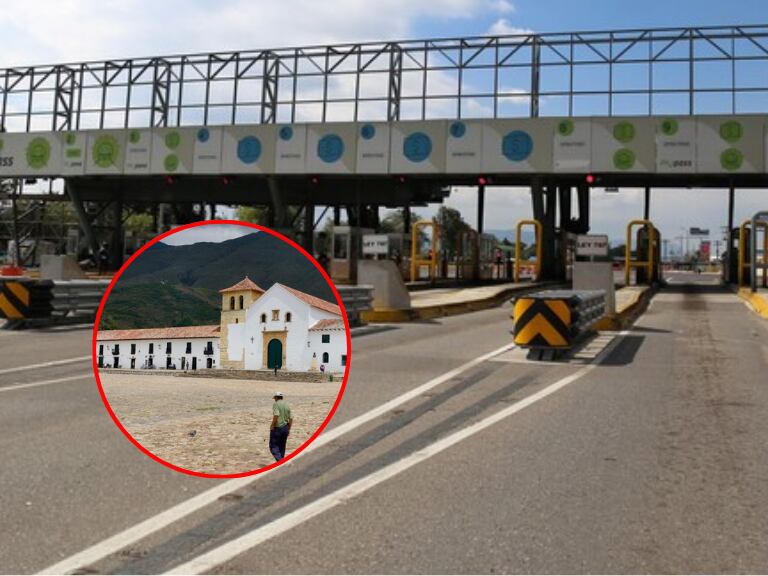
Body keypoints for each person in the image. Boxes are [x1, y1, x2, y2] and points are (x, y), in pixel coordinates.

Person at [269, 392, 292, 461]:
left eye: (275, 398)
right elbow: (291, 418)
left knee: (273, 446)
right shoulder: (287, 404)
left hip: (278, 428)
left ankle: (281, 461)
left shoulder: (276, 404)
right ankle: (281, 462)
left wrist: (272, 425)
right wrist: (289, 429)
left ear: (276, 397)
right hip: (285, 427)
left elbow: (276, 415)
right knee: (282, 446)